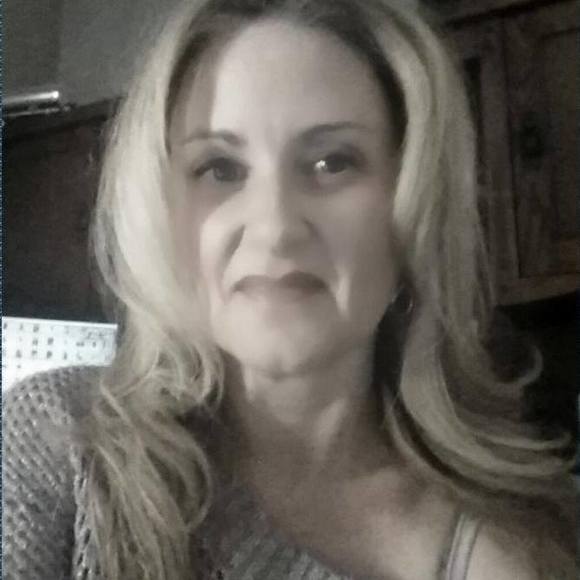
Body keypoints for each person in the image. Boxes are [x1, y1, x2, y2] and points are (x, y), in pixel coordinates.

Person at [3, 1, 577, 579]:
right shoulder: (56, 442)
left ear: (414, 202)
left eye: (333, 162)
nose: (275, 226)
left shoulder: (528, 546)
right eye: (220, 168)